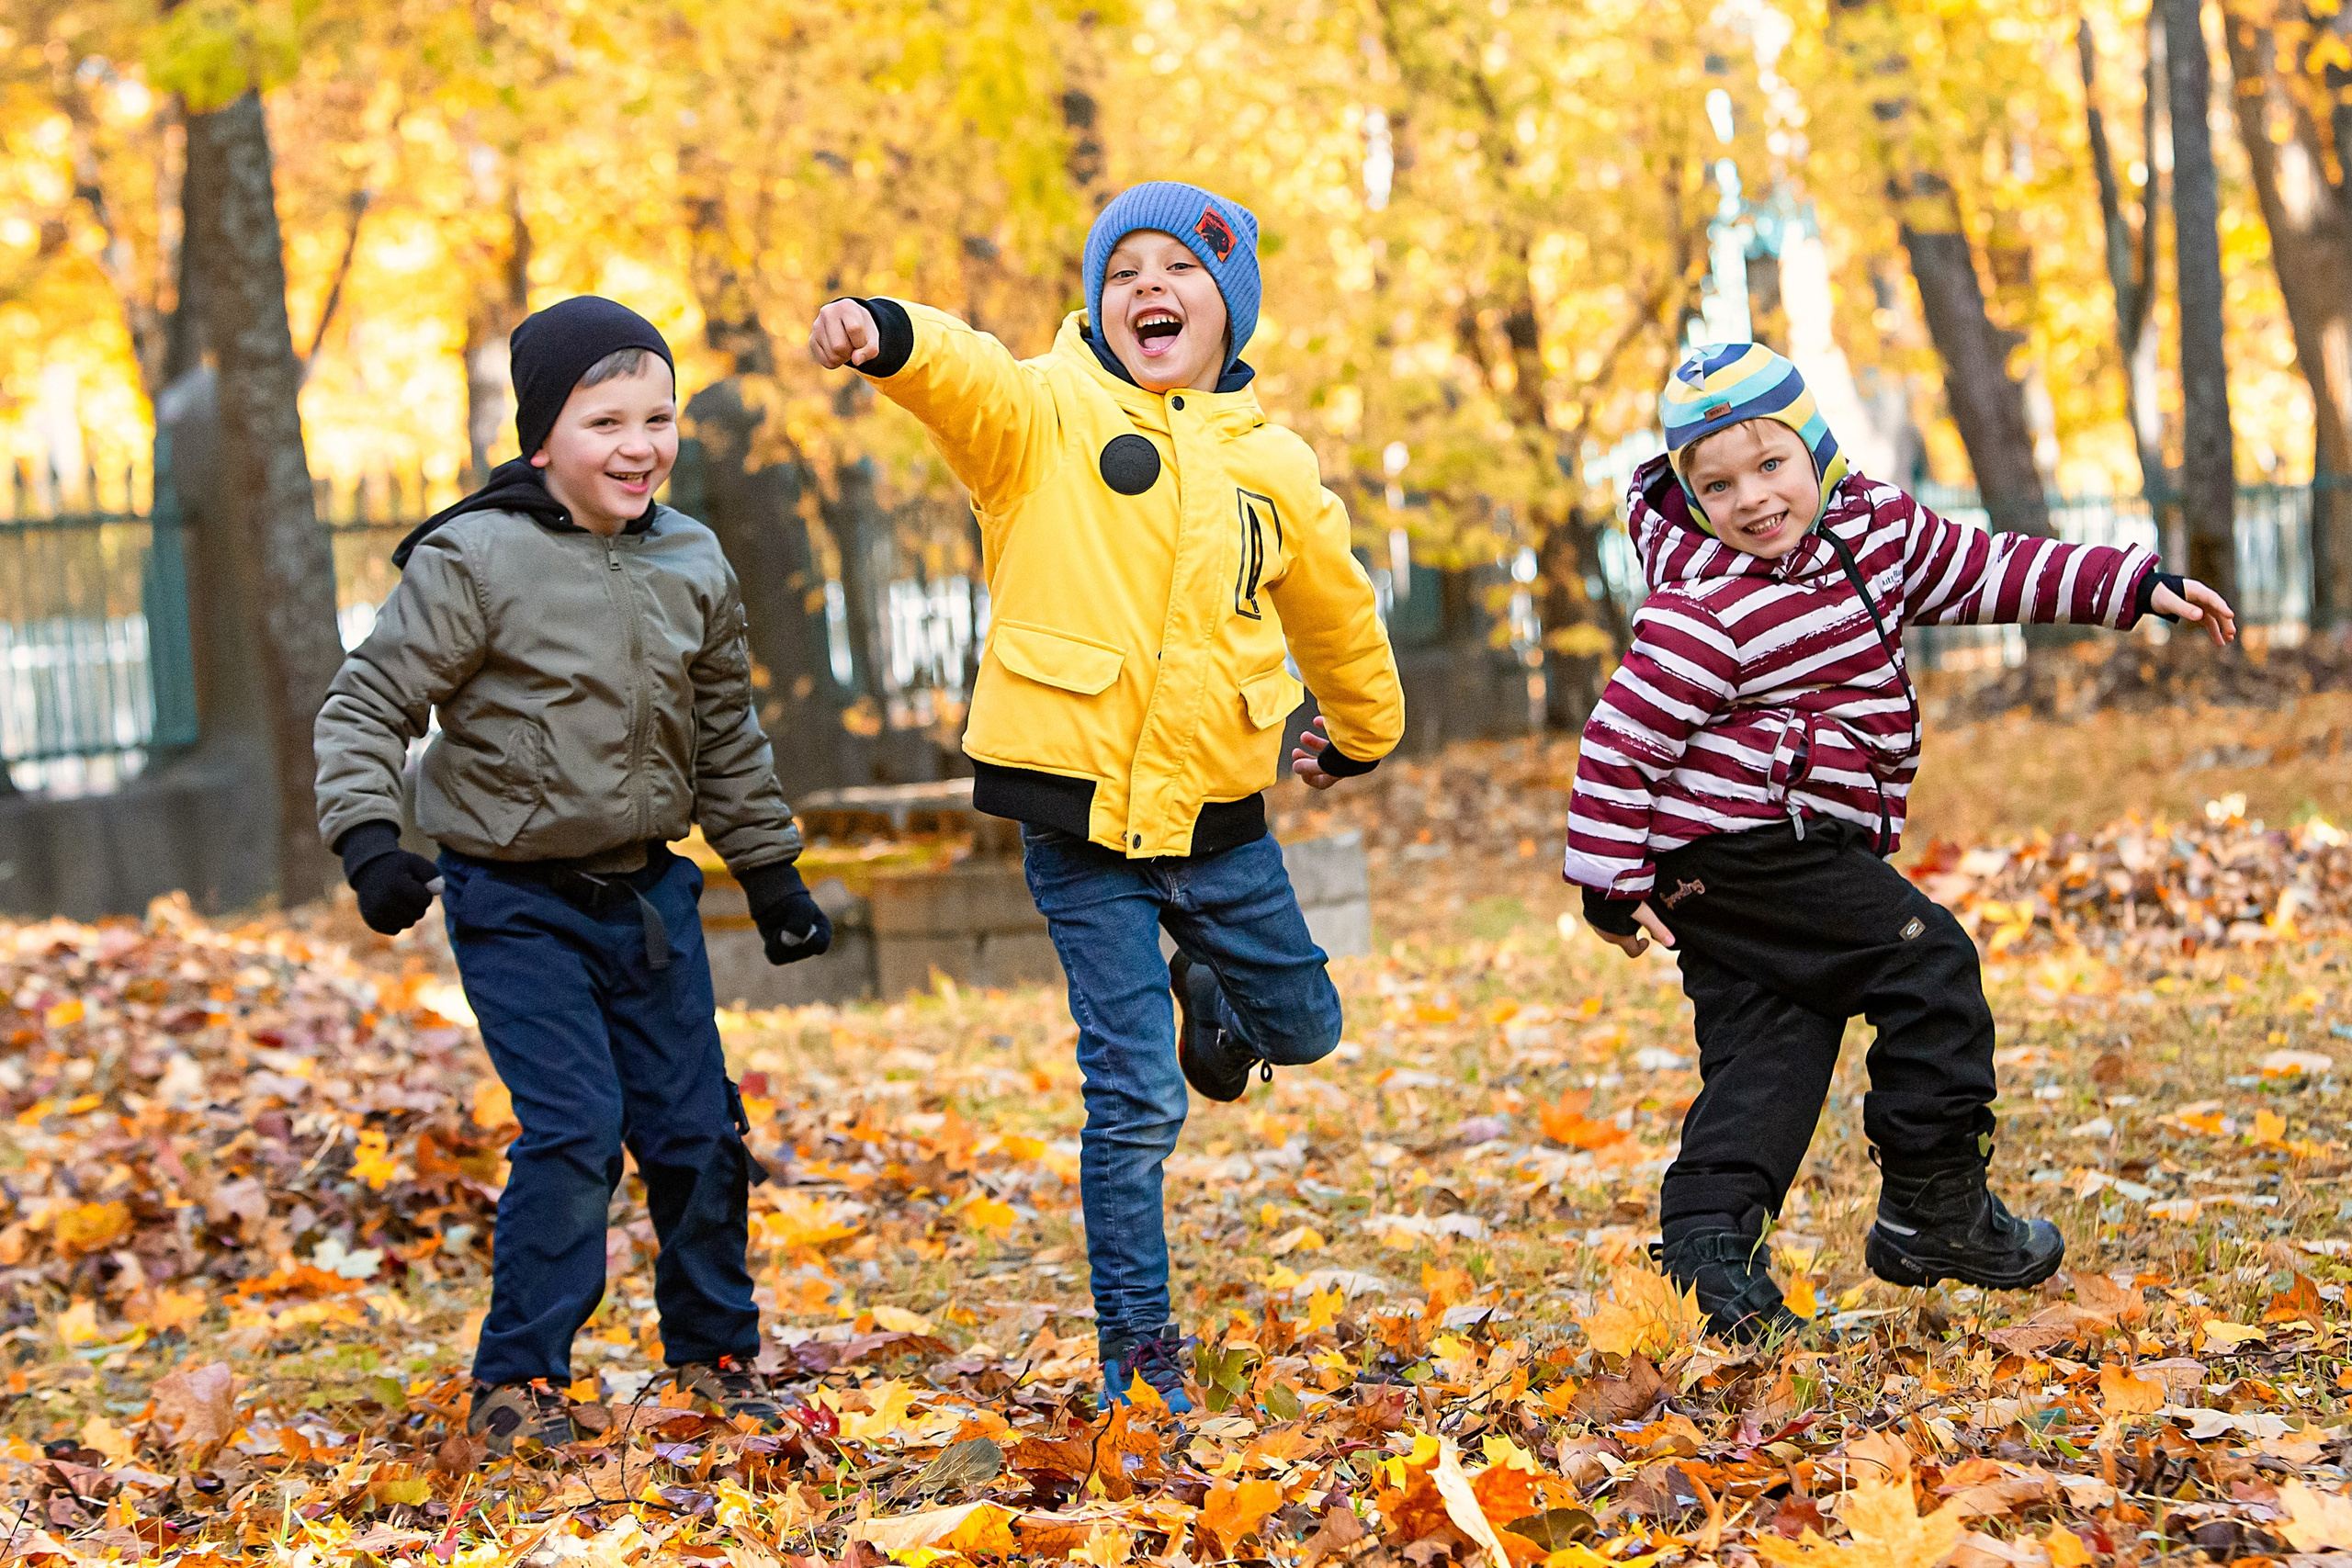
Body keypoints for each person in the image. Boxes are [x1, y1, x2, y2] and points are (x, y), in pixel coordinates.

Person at [808, 181, 1404, 1409]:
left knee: (1306, 1027)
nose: (1148, 288)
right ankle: (1139, 1358)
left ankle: (1212, 997)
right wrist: (886, 331)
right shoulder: (1043, 415)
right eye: (1124, 271)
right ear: (1098, 304)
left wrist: (1360, 734)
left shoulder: (1274, 466)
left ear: (1227, 310)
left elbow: (1336, 614)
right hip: (1078, 827)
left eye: (1179, 270)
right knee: (1132, 1099)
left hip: (1219, 821)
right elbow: (968, 375)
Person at [1566, 343, 2235, 1341]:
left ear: (1817, 449)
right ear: (1691, 497)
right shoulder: (1703, 605)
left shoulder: (1875, 532)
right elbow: (1621, 738)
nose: (1752, 499)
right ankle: (1932, 1203)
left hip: (1761, 852)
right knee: (1927, 962)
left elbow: (1988, 568)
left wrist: (2131, 586)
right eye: (1718, 485)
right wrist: (1608, 883)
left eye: (1771, 464)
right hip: (1744, 846)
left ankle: (1707, 1259)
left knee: (1774, 1043)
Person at [314, 296, 835, 1452]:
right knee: (575, 1132)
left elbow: (725, 733)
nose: (640, 446)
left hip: (649, 895)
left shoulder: (692, 558)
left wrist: (771, 873)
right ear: (542, 437)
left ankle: (714, 1356)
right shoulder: (474, 559)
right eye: (606, 422)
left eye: (658, 418)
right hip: (515, 902)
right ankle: (519, 1382)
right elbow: (367, 704)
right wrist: (369, 842)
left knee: (697, 1130)